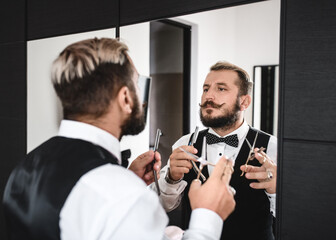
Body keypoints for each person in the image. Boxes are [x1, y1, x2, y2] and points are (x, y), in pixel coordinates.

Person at [2, 38, 236, 240]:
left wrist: (126, 179)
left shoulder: (27, 165)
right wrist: (208, 215)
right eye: (137, 84)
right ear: (125, 97)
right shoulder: (121, 193)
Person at [158, 61, 278, 240]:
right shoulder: (184, 144)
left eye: (221, 89)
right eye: (206, 89)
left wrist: (276, 192)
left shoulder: (273, 147)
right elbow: (163, 206)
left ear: (244, 101)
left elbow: (296, 216)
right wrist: (171, 179)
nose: (209, 96)